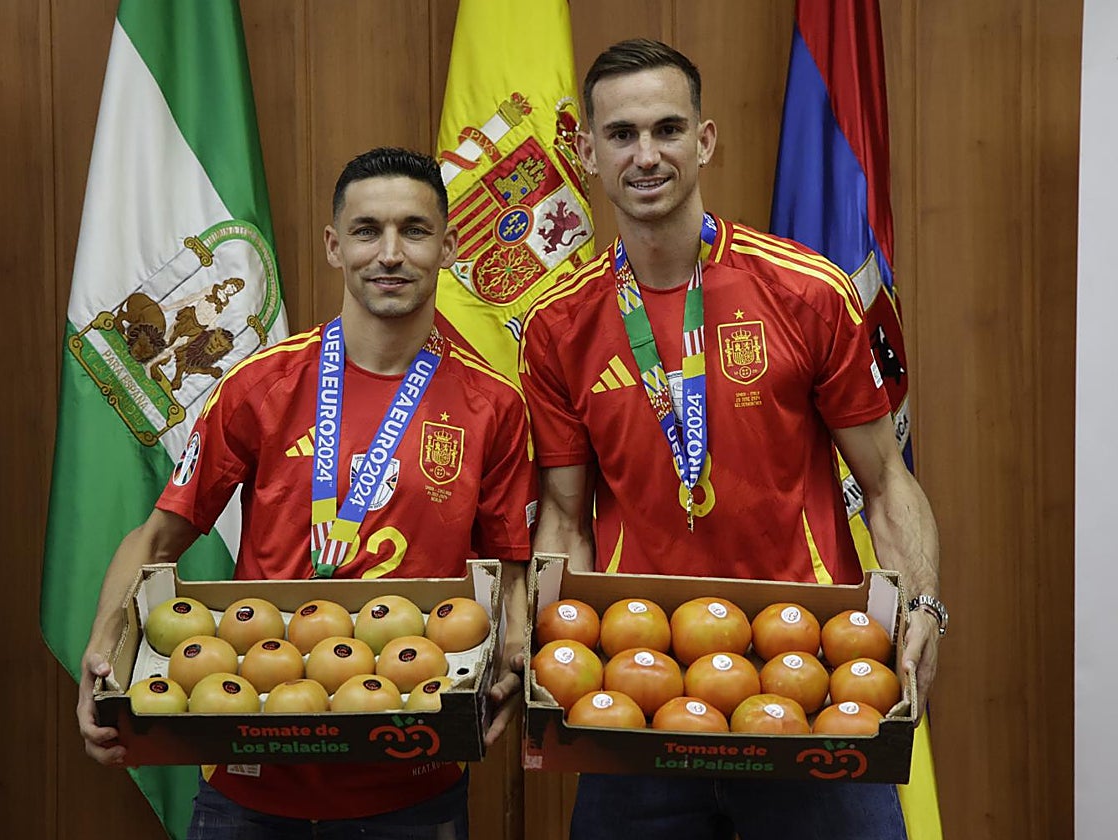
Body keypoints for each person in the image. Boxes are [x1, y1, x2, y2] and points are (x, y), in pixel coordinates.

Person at [518, 39, 943, 840]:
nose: (646, 155)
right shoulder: (556, 325)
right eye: (621, 135)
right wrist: (551, 644)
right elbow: (566, 519)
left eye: (668, 129)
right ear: (586, 151)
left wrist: (922, 604)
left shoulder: (806, 292)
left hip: (812, 678)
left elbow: (887, 483)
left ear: (704, 140)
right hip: (634, 687)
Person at [77, 147, 536, 840]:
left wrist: (515, 646)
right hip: (252, 775)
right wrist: (102, 651)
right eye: (366, 231)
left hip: (414, 779)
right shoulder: (261, 385)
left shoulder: (492, 404)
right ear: (333, 245)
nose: (389, 253)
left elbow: (512, 567)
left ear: (449, 246)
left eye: (413, 231)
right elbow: (156, 538)